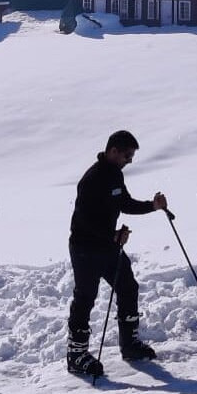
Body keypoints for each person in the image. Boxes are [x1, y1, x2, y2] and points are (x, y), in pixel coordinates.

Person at [66, 129, 167, 377]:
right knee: (85, 297)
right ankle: (76, 355)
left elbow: (124, 203)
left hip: (108, 247)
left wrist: (152, 207)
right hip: (85, 248)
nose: (130, 161)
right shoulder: (92, 180)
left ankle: (129, 345)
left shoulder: (114, 176)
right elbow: (85, 220)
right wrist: (111, 235)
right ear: (113, 151)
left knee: (128, 287)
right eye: (127, 156)